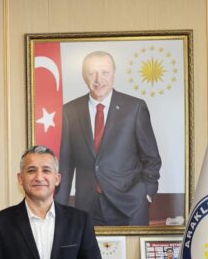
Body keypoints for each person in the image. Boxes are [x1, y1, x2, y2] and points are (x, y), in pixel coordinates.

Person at [56, 51, 161, 226]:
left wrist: (147, 193)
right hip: (87, 208)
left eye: (105, 72)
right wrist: (59, 207)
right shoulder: (70, 110)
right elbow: (66, 164)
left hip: (130, 206)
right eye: (92, 73)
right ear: (84, 76)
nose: (99, 79)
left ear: (114, 74)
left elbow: (151, 158)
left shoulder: (135, 108)